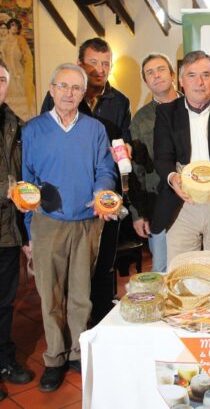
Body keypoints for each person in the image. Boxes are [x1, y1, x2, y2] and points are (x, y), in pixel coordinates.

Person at [20, 63, 116, 392]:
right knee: (50, 296)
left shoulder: (95, 129)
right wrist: (30, 227)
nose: (68, 93)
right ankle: (54, 358)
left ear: (83, 94)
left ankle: (77, 351)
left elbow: (105, 167)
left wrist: (102, 190)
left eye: (76, 88)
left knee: (81, 295)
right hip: (48, 223)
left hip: (87, 221)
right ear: (51, 89)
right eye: (63, 86)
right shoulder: (33, 130)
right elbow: (26, 182)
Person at [41, 38, 131, 323]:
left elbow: (122, 143)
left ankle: (101, 323)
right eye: (93, 63)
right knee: (69, 272)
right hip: (67, 198)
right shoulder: (59, 95)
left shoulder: (120, 100)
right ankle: (74, 332)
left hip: (104, 193)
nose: (99, 70)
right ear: (80, 63)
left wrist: (126, 149)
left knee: (104, 262)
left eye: (105, 64)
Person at [152, 50, 210, 266]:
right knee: (182, 274)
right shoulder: (166, 113)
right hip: (181, 204)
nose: (199, 82)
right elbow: (162, 157)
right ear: (181, 81)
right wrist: (174, 178)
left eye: (206, 74)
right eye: (192, 75)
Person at [0, 59, 34, 400]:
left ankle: (5, 361)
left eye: (1, 80)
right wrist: (7, 190)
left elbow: (23, 177)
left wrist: (26, 235)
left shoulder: (15, 123)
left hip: (7, 231)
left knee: (5, 303)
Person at [129, 53, 179, 272]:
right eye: (150, 72)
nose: (156, 76)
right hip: (158, 203)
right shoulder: (141, 119)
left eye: (160, 69)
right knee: (162, 270)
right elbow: (135, 171)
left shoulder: (194, 106)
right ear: (146, 81)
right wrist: (138, 213)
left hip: (196, 202)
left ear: (172, 74)